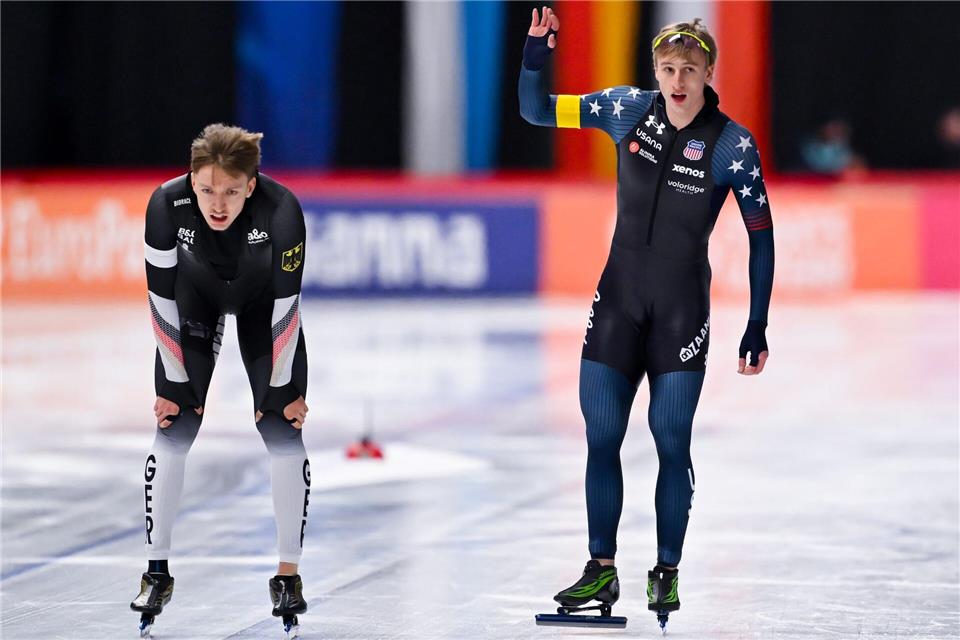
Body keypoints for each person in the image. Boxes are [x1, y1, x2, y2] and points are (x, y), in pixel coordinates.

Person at [519, 7, 774, 631]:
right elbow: (536, 110)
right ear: (654, 71)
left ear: (710, 71)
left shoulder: (732, 144)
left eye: (690, 68)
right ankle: (601, 566)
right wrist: (535, 54)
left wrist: (757, 323)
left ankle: (666, 570)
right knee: (601, 436)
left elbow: (761, 237)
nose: (678, 79)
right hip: (618, 302)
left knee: (670, 441)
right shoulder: (625, 108)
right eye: (667, 68)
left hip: (681, 312)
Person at [130, 124, 311, 639]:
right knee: (175, 426)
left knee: (282, 427)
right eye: (207, 189)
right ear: (191, 179)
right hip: (193, 306)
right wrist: (172, 376)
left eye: (231, 191)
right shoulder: (166, 205)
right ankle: (156, 570)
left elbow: (285, 309)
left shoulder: (283, 211)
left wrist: (281, 386)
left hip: (263, 311)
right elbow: (161, 299)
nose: (218, 203)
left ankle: (287, 576)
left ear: (251, 185)